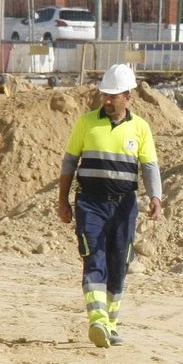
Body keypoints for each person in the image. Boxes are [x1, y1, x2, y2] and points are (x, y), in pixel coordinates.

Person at [57, 64, 164, 348]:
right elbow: (69, 163)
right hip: (89, 203)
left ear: (128, 96)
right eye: (105, 94)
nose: (107, 100)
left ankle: (111, 324)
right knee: (94, 258)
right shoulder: (86, 122)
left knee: (119, 263)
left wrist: (156, 198)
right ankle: (97, 320)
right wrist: (63, 201)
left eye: (113, 95)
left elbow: (149, 165)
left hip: (124, 207)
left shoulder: (140, 128)